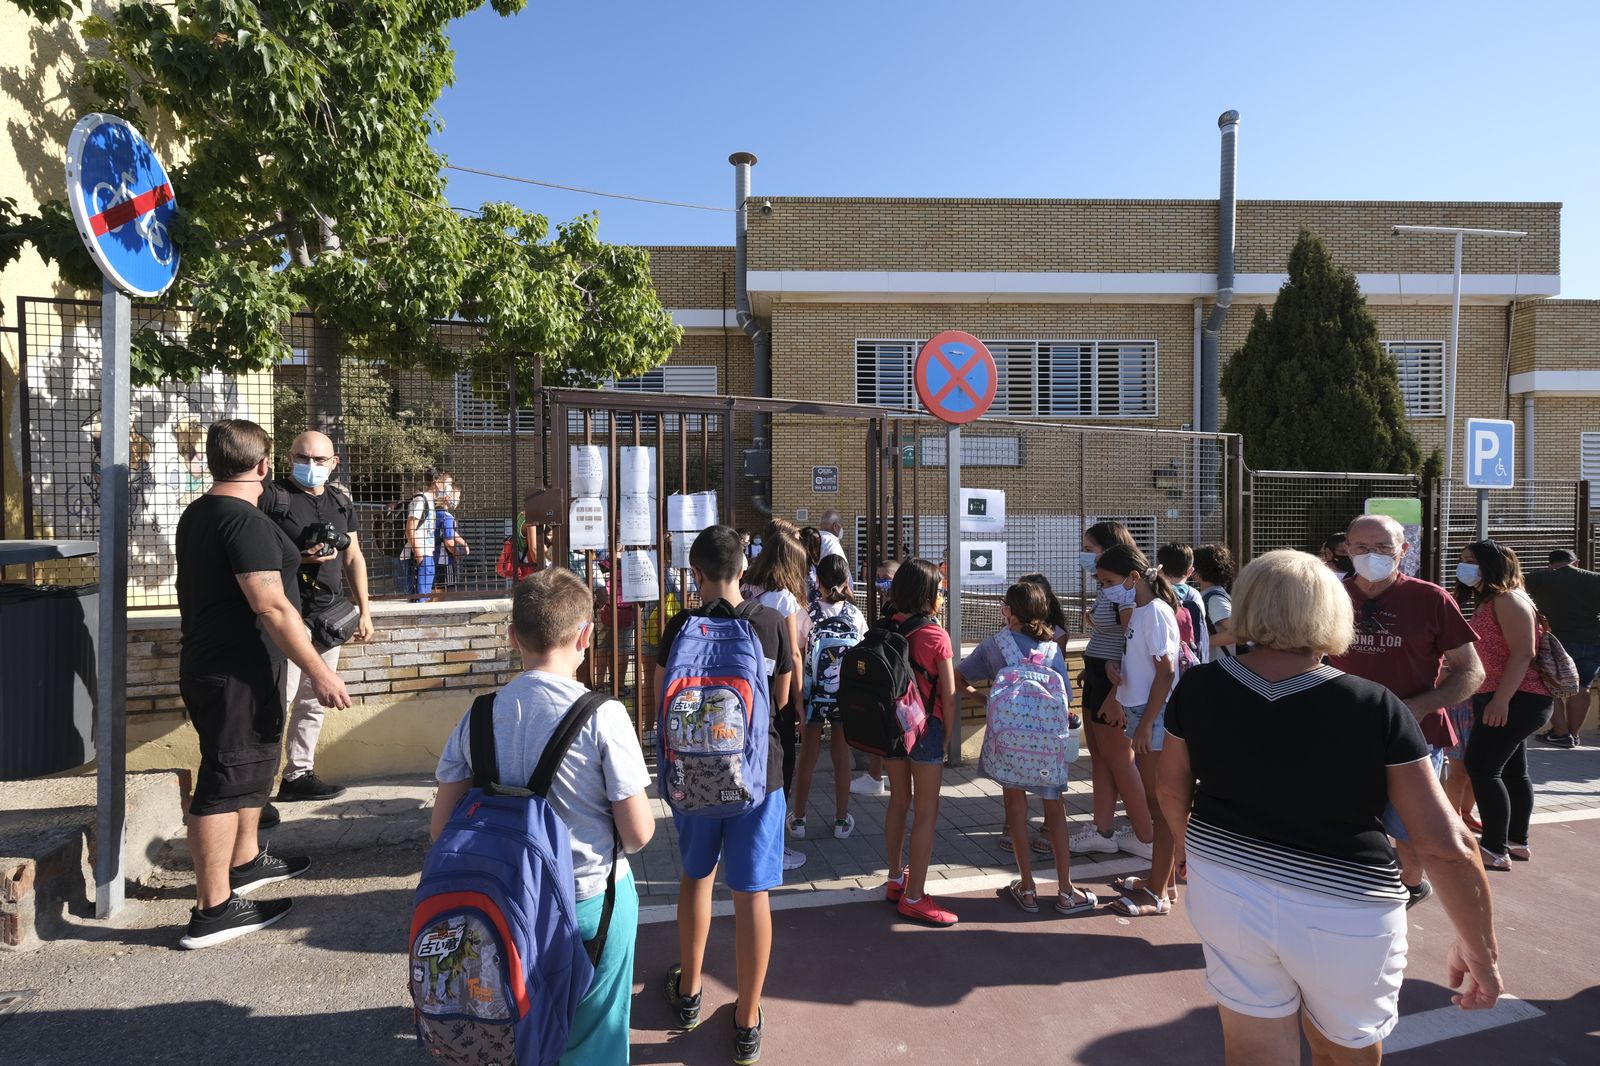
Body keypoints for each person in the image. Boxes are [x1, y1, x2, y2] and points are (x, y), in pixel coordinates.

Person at [1158, 550, 1502, 1064]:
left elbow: (1171, 787)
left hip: (1223, 884)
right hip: (1346, 905)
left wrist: (1188, 850)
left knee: (1252, 1049)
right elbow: (1445, 844)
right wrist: (1481, 951)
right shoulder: (1374, 705)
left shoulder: (1201, 685)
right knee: (1347, 1051)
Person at [429, 568, 654, 1063]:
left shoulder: (480, 714)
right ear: (586, 635)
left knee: (518, 1023)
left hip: (502, 903)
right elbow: (637, 834)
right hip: (589, 900)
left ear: (513, 637)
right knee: (594, 1031)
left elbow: (440, 830)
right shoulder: (604, 715)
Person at [174, 419, 351, 950]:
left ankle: (245, 864)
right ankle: (213, 909)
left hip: (228, 666)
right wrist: (320, 671)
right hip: (237, 673)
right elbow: (271, 604)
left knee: (244, 774)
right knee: (223, 783)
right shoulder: (242, 521)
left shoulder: (202, 512)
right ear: (265, 465)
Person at [656, 526, 794, 1065]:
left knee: (696, 877)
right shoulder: (772, 622)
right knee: (751, 893)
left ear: (697, 575)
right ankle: (746, 1019)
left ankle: (688, 992)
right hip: (759, 778)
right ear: (744, 569)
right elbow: (779, 701)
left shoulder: (680, 625)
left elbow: (662, 702)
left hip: (692, 778)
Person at [1332, 514, 1484, 908]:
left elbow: (1472, 671)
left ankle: (1408, 890)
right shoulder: (1328, 597)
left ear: (1404, 550)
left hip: (1412, 739)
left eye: (1383, 547)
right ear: (1346, 550)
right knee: (1344, 822)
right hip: (1343, 735)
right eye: (1362, 547)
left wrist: (1418, 707)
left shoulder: (1431, 599)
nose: (1372, 555)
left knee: (1408, 831)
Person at [957, 581, 1097, 915]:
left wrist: (985, 698)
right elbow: (1065, 697)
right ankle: (1066, 891)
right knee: (1055, 813)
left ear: (1012, 611)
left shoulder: (995, 645)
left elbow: (959, 678)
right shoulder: (1051, 649)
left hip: (1009, 744)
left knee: (1016, 812)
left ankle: (1029, 888)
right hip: (1047, 747)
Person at [266, 430, 374, 806]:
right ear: (289, 457)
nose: (310, 466)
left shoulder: (341, 502)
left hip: (329, 617)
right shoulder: (272, 498)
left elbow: (354, 556)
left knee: (315, 699)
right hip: (284, 616)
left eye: (319, 460)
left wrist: (365, 609)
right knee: (277, 700)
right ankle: (257, 789)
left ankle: (298, 774)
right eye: (303, 458)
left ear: (334, 463)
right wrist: (300, 557)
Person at [1096, 546, 1183, 916]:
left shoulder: (1156, 613)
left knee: (1159, 806)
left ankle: (1158, 892)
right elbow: (1146, 666)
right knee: (1154, 804)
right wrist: (1119, 677)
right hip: (1143, 713)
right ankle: (1161, 882)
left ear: (1134, 578)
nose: (1106, 589)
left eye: (1110, 582)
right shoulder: (1142, 613)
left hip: (1156, 717)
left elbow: (1166, 673)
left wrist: (1146, 723)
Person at [1457, 542, 1554, 870]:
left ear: (1491, 565)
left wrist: (1501, 700)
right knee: (1512, 771)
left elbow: (1523, 653)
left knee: (1482, 767)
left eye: (1472, 561)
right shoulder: (1491, 600)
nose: (1465, 566)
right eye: (1463, 560)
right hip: (1507, 696)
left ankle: (1495, 848)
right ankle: (1516, 842)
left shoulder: (1508, 600)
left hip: (1517, 698)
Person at [879, 558, 960, 927]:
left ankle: (896, 878)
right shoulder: (935, 636)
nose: (942, 594)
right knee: (926, 811)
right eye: (940, 589)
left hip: (893, 729)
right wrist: (947, 734)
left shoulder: (887, 626)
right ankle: (915, 897)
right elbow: (950, 692)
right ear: (928, 594)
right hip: (926, 730)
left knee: (898, 800)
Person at [1068, 522, 1155, 862]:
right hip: (1099, 674)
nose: (1085, 556)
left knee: (1120, 760)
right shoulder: (1110, 588)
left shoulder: (1125, 590)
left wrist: (1113, 695)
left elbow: (1130, 644)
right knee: (1102, 759)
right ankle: (1102, 831)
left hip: (1114, 682)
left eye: (1089, 549)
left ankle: (1146, 837)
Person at [744, 519, 812, 872]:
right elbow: (794, 655)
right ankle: (774, 847)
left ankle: (747, 837)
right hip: (777, 695)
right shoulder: (784, 599)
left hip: (749, 689)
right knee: (779, 770)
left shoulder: (749, 589)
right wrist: (799, 702)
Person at [789, 554, 868, 842]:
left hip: (812, 696)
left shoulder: (805, 613)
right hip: (844, 697)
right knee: (841, 755)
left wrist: (799, 698)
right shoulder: (855, 615)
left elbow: (797, 655)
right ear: (846, 581)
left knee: (808, 755)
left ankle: (798, 819)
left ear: (817, 581)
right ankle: (840, 819)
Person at [1524, 548, 1600, 747]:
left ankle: (1560, 733)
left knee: (1550, 687)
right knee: (1582, 687)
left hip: (1556, 642)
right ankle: (1573, 735)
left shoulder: (1539, 578)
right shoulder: (1595, 578)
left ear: (1550, 564)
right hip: (1592, 641)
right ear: (1576, 562)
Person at [850, 560, 901, 798]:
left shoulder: (899, 609)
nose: (881, 583)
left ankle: (876, 777)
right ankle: (876, 775)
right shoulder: (889, 605)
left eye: (886, 577)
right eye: (878, 577)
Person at [398, 467, 450, 601]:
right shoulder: (420, 500)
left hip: (427, 553)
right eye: (448, 483)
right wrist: (419, 554)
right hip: (419, 554)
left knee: (425, 597)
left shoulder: (430, 502)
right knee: (419, 599)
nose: (449, 487)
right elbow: (410, 528)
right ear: (437, 483)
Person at [1159, 542, 1212, 665]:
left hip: (1165, 656)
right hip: (1191, 657)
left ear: (1160, 569)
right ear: (1190, 571)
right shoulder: (1194, 595)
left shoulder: (1157, 593)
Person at [1193, 543, 1238, 656]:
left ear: (1199, 572)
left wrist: (1200, 642)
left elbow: (1235, 633)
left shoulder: (1215, 600)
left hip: (1219, 667)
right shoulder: (1214, 595)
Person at [431, 478, 470, 590]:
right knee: (442, 590)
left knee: (433, 588)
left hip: (431, 557)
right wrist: (455, 553)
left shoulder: (434, 513)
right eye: (457, 497)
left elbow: (448, 531)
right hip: (443, 559)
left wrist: (463, 542)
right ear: (448, 497)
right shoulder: (447, 517)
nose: (458, 500)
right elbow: (448, 540)